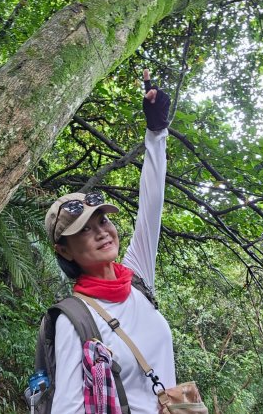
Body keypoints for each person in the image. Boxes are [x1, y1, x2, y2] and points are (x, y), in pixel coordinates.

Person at [43, 69, 175, 413]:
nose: (101, 231)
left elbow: (151, 204)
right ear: (63, 249)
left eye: (103, 221)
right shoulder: (76, 319)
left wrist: (156, 132)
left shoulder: (137, 278)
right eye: (84, 229)